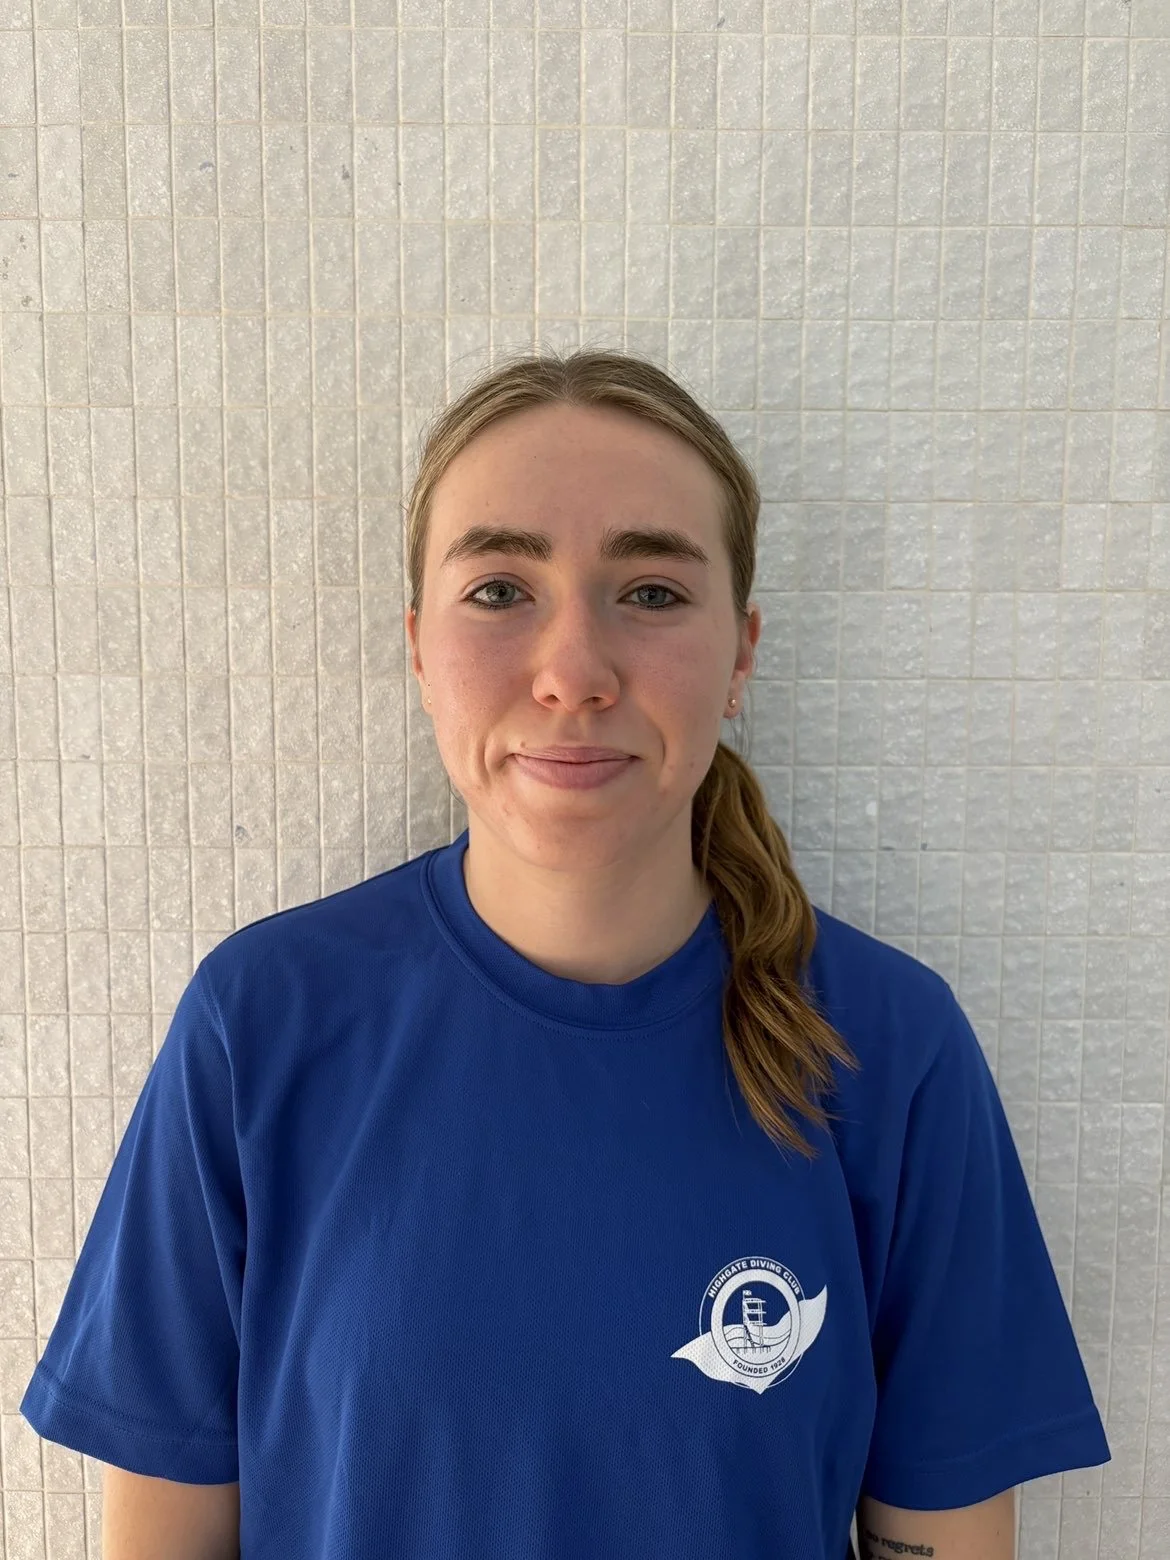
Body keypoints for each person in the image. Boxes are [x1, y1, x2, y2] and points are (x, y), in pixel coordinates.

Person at [21, 348, 1110, 1559]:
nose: (573, 673)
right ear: (419, 646)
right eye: (500, 589)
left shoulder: (890, 1049)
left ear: (742, 651)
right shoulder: (262, 1025)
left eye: (650, 591)